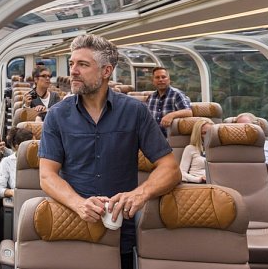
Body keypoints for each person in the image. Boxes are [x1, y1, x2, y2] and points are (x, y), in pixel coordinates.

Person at [38, 34, 180, 268]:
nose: (73, 70)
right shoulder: (56, 115)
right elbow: (46, 175)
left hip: (121, 229)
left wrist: (140, 194)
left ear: (106, 71)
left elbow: (170, 169)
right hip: (72, 226)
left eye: (83, 64)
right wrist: (79, 204)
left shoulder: (135, 111)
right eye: (72, 63)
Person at [145, 67, 192, 136]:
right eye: (157, 77)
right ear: (153, 81)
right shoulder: (151, 97)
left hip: (171, 139)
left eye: (163, 77)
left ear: (169, 80)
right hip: (152, 136)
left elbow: (188, 112)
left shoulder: (176, 94)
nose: (160, 80)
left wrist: (171, 115)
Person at [0, 127, 34, 199]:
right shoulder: (7, 162)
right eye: (32, 146)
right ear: (18, 147)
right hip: (21, 200)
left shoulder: (42, 159)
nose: (37, 147)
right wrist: (13, 192)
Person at [180, 118, 213, 183]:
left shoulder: (219, 150)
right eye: (204, 133)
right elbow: (181, 173)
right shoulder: (190, 148)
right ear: (198, 135)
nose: (208, 136)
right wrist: (199, 179)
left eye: (210, 132)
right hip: (196, 183)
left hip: (215, 184)